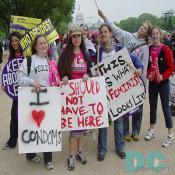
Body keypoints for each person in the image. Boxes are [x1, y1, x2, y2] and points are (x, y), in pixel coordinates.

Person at [98, 9, 152, 142]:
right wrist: (104, 16)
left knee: (137, 107)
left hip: (137, 79)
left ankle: (135, 131)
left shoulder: (146, 46)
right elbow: (115, 29)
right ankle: (126, 132)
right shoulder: (128, 37)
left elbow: (142, 64)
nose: (141, 28)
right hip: (122, 78)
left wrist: (141, 79)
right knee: (124, 107)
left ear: (147, 33)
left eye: (144, 28)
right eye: (141, 26)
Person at [96, 24, 143, 161]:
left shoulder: (120, 49)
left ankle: (120, 147)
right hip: (103, 92)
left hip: (118, 92)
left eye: (106, 31)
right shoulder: (99, 52)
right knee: (104, 122)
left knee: (119, 121)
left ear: (110, 33)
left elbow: (135, 60)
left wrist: (139, 68)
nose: (104, 34)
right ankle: (102, 149)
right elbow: (94, 71)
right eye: (101, 32)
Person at [17, 34, 59, 170]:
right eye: (40, 44)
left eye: (45, 43)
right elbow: (20, 78)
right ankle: (30, 154)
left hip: (48, 100)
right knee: (31, 127)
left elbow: (55, 79)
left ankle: (48, 159)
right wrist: (32, 82)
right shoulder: (29, 61)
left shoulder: (51, 61)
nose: (43, 46)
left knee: (48, 128)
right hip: (32, 99)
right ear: (35, 47)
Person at [57, 25, 92, 171]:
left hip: (83, 96)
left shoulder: (86, 53)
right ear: (70, 38)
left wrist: (88, 75)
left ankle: (79, 152)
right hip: (71, 98)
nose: (77, 38)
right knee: (74, 129)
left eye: (79, 36)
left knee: (82, 128)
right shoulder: (65, 54)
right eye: (74, 36)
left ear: (81, 38)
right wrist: (64, 76)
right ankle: (70, 156)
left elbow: (91, 70)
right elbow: (58, 71)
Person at [145, 26, 174, 147]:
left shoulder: (166, 49)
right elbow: (146, 66)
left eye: (157, 34)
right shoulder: (148, 49)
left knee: (166, 109)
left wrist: (164, 76)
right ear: (151, 36)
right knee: (152, 107)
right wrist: (148, 76)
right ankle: (151, 130)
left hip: (163, 83)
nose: (155, 36)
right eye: (153, 34)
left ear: (160, 35)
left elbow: (172, 67)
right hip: (152, 83)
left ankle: (169, 135)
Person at [0, 32, 24, 150]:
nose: (14, 43)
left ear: (21, 40)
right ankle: (12, 142)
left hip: (28, 90)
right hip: (17, 94)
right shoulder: (11, 57)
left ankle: (30, 142)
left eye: (16, 40)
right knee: (14, 116)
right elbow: (7, 74)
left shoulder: (28, 54)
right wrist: (4, 84)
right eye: (12, 41)